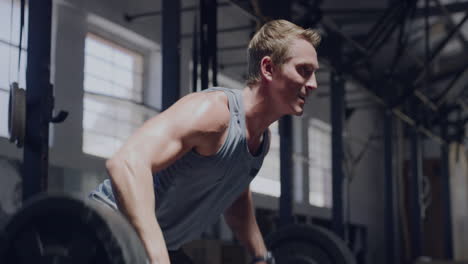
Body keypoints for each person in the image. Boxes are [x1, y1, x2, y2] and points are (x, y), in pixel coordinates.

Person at [90, 19, 320, 264]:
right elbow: (126, 163)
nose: (314, 84)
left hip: (154, 247)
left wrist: (261, 256)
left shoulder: (260, 139)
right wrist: (158, 258)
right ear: (268, 68)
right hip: (103, 236)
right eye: (304, 70)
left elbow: (237, 199)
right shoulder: (214, 112)